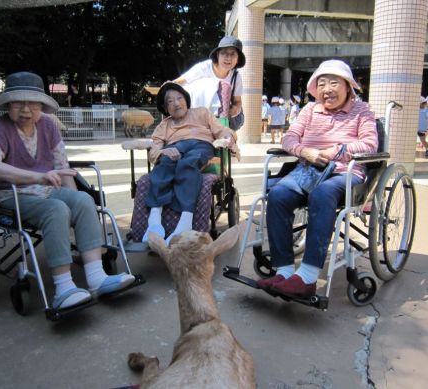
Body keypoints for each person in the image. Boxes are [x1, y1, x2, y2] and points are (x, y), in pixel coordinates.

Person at [0, 72, 135, 310]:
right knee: (56, 209)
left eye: (33, 103)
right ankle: (63, 289)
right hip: (11, 195)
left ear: (41, 105)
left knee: (82, 200)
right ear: (8, 104)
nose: (26, 110)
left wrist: (74, 202)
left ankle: (96, 277)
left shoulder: (48, 125)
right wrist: (37, 177)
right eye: (19, 103)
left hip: (47, 190)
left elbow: (63, 168)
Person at [257, 59, 378, 297]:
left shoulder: (361, 110)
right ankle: (283, 271)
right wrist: (305, 152)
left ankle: (308, 277)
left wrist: (333, 152)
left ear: (347, 87)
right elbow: (289, 138)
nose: (327, 89)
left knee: (322, 194)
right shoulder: (310, 109)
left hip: (343, 171)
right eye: (321, 84)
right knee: (279, 194)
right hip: (308, 168)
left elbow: (370, 143)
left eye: (334, 83)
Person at [143, 82, 239, 245]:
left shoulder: (202, 113)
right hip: (173, 147)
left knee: (187, 164)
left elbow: (220, 130)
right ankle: (154, 222)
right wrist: (162, 152)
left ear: (186, 100)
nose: (176, 103)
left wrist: (227, 136)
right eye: (170, 101)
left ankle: (185, 222)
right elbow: (155, 149)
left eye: (179, 98)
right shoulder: (164, 125)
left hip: (200, 144)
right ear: (166, 108)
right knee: (164, 163)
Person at [173, 36, 245, 124]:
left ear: (237, 59)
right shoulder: (203, 68)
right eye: (224, 53)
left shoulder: (236, 77)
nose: (228, 57)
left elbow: (237, 101)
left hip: (221, 117)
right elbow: (178, 82)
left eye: (233, 54)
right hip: (195, 114)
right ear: (217, 55)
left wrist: (232, 110)